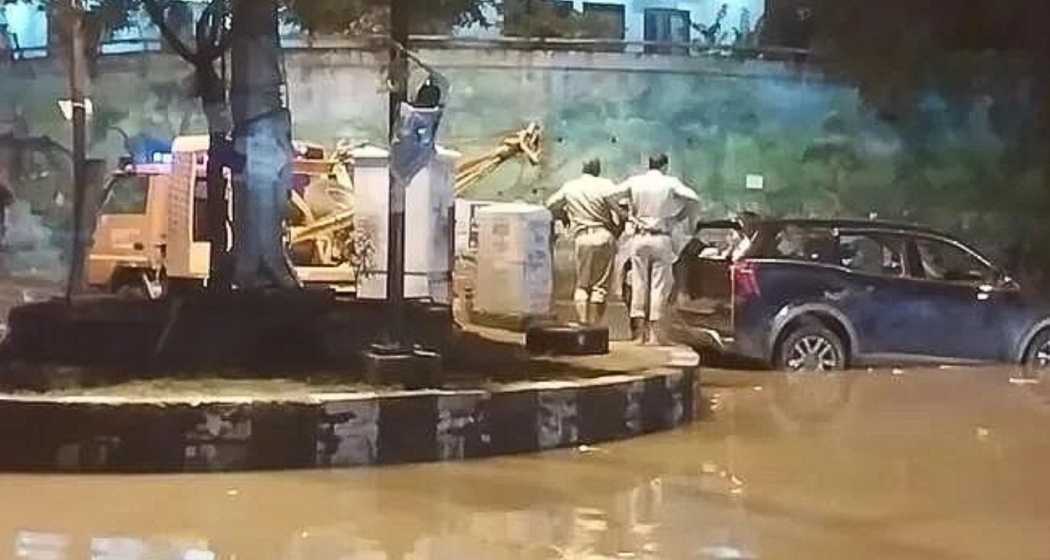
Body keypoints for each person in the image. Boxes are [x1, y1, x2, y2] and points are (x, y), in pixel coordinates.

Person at [615, 153, 700, 344]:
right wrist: (681, 217)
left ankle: (639, 334)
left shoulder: (636, 181)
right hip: (661, 237)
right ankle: (654, 335)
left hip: (639, 236)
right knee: (658, 286)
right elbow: (694, 198)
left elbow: (609, 196)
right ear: (665, 166)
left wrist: (628, 215)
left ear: (649, 164)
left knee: (638, 283)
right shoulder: (670, 183)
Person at [546, 158, 623, 325]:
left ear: (583, 168)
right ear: (597, 169)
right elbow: (622, 206)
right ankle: (596, 326)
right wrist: (618, 228)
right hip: (603, 235)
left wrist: (564, 216)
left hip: (581, 238)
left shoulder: (570, 186)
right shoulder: (605, 185)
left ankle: (583, 322)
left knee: (582, 284)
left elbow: (550, 204)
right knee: (600, 286)